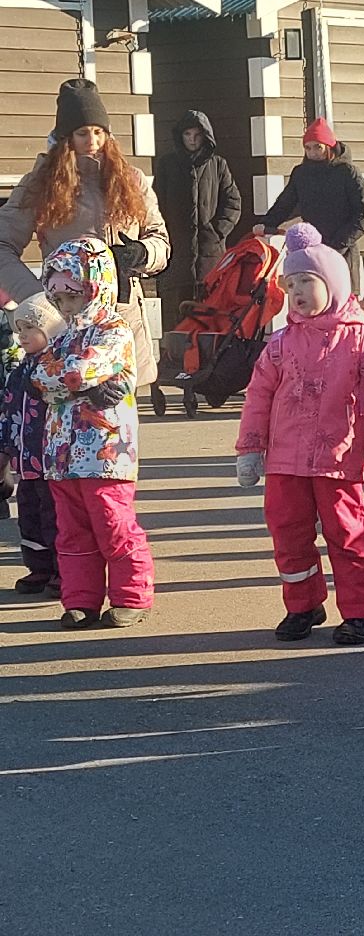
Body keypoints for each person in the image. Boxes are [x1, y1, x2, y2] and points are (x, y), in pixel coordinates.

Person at [235, 223, 364, 646]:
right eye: (291, 285)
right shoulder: (280, 343)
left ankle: (360, 611)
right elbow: (257, 396)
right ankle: (303, 603)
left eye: (307, 281)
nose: (298, 293)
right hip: (286, 460)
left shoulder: (363, 341)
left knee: (346, 535)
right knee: (288, 533)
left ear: (334, 283)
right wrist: (250, 448)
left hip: (338, 460)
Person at [0, 79, 170, 388]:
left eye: (99, 132)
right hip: (65, 324)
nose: (92, 140)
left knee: (123, 427)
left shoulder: (131, 180)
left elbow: (161, 241)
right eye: (82, 133)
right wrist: (40, 299)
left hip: (122, 317)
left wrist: (143, 253)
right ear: (66, 138)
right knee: (72, 427)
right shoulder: (40, 183)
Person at [35, 238, 156, 629]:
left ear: (94, 288)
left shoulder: (113, 329)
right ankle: (80, 600)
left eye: (73, 295)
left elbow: (77, 371)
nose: (66, 306)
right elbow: (38, 376)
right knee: (71, 533)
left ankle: (131, 596)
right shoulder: (60, 336)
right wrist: (67, 382)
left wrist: (65, 382)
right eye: (58, 297)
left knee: (113, 524)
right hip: (60, 454)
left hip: (106, 452)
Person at [1, 293, 66, 597]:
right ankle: (38, 567)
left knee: (54, 517)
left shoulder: (56, 369)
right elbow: (9, 412)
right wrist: (5, 450)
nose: (22, 335)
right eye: (20, 329)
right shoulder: (18, 372)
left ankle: (60, 569)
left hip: (51, 462)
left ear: (51, 331)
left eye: (31, 328)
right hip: (24, 462)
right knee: (28, 517)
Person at [151, 110, 241, 329]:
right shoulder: (167, 165)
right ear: (180, 136)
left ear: (205, 136)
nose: (191, 139)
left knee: (210, 315)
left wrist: (217, 231)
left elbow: (233, 202)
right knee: (177, 315)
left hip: (210, 257)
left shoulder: (218, 165)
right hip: (176, 255)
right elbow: (155, 202)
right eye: (187, 134)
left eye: (197, 135)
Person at [257, 118, 364, 266]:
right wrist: (265, 224)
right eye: (308, 148)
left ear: (329, 147)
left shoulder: (347, 172)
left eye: (318, 147)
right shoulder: (301, 174)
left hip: (342, 252)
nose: (313, 152)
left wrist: (339, 244)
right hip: (311, 249)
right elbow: (284, 205)